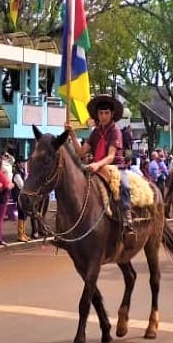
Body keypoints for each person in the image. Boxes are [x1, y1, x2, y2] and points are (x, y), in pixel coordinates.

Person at [66, 94, 135, 244]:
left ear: (111, 115)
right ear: (97, 115)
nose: (103, 116)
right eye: (100, 113)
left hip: (115, 166)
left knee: (124, 184)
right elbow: (80, 152)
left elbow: (111, 156)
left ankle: (127, 217)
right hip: (95, 166)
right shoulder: (95, 132)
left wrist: (97, 165)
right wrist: (72, 134)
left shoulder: (115, 131)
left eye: (106, 113)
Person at [12, 155, 30, 242]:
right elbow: (21, 185)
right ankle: (20, 234)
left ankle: (23, 233)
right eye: (22, 162)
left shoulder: (22, 171)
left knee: (23, 214)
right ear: (18, 163)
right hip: (19, 196)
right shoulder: (16, 173)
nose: (24, 164)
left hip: (22, 195)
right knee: (21, 214)